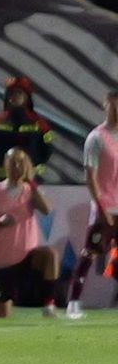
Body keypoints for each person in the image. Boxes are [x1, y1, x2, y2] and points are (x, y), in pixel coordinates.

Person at [0, 149, 57, 318]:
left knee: (50, 255)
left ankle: (49, 305)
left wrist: (32, 184)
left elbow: (47, 210)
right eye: (13, 162)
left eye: (21, 162)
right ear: (5, 164)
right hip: (3, 262)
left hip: (27, 258)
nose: (17, 166)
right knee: (2, 315)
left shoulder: (31, 191)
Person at [66, 89, 118, 320]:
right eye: (113, 104)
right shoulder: (96, 138)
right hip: (106, 207)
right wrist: (101, 206)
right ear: (105, 105)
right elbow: (91, 177)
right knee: (91, 252)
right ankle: (73, 302)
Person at [0, 75, 54, 182]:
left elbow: (47, 150)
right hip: (2, 180)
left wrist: (31, 166)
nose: (15, 96)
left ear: (27, 97)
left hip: (31, 179)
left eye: (19, 93)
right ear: (7, 97)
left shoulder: (41, 124)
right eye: (12, 93)